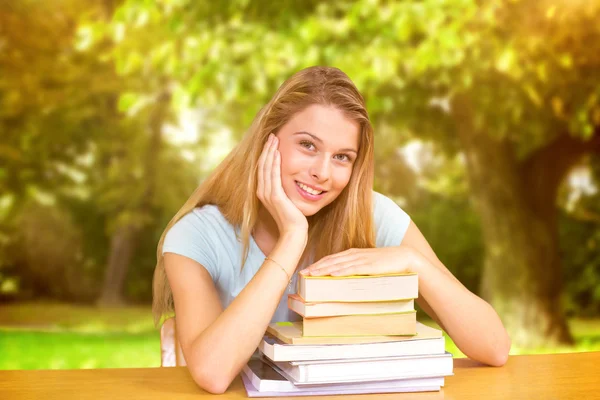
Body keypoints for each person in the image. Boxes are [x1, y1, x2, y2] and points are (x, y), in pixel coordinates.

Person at [153, 66, 510, 394]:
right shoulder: (194, 237)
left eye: (342, 157)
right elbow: (213, 374)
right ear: (268, 140)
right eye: (308, 145)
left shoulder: (374, 216)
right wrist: (292, 237)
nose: (323, 172)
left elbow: (494, 346)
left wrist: (412, 262)